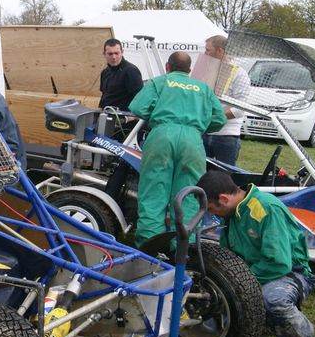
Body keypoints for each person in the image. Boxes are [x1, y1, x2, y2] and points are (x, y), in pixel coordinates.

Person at [196, 170, 315, 337]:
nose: (211, 214)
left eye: (211, 208)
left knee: (272, 299)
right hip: (253, 271)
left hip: (290, 273)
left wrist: (238, 283)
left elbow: (278, 263)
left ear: (224, 199)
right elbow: (228, 256)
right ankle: (263, 321)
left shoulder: (265, 209)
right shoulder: (232, 214)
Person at [128, 51, 225, 245]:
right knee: (189, 195)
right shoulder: (204, 89)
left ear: (167, 66)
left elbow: (137, 107)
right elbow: (220, 119)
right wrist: (199, 126)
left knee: (153, 193)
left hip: (161, 136)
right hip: (192, 141)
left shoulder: (159, 82)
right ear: (189, 70)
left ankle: (149, 248)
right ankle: (182, 249)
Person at [201, 35, 251, 166]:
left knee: (224, 179)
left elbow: (241, 109)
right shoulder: (206, 71)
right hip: (203, 132)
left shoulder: (239, 73)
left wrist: (215, 118)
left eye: (208, 50)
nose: (205, 54)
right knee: (200, 175)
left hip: (227, 136)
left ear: (220, 51)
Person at [98, 38, 144, 110]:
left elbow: (140, 99)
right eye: (110, 54)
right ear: (104, 54)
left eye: (116, 53)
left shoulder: (131, 71)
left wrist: (129, 117)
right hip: (106, 114)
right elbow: (104, 96)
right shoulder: (105, 72)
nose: (114, 57)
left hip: (124, 118)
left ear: (122, 52)